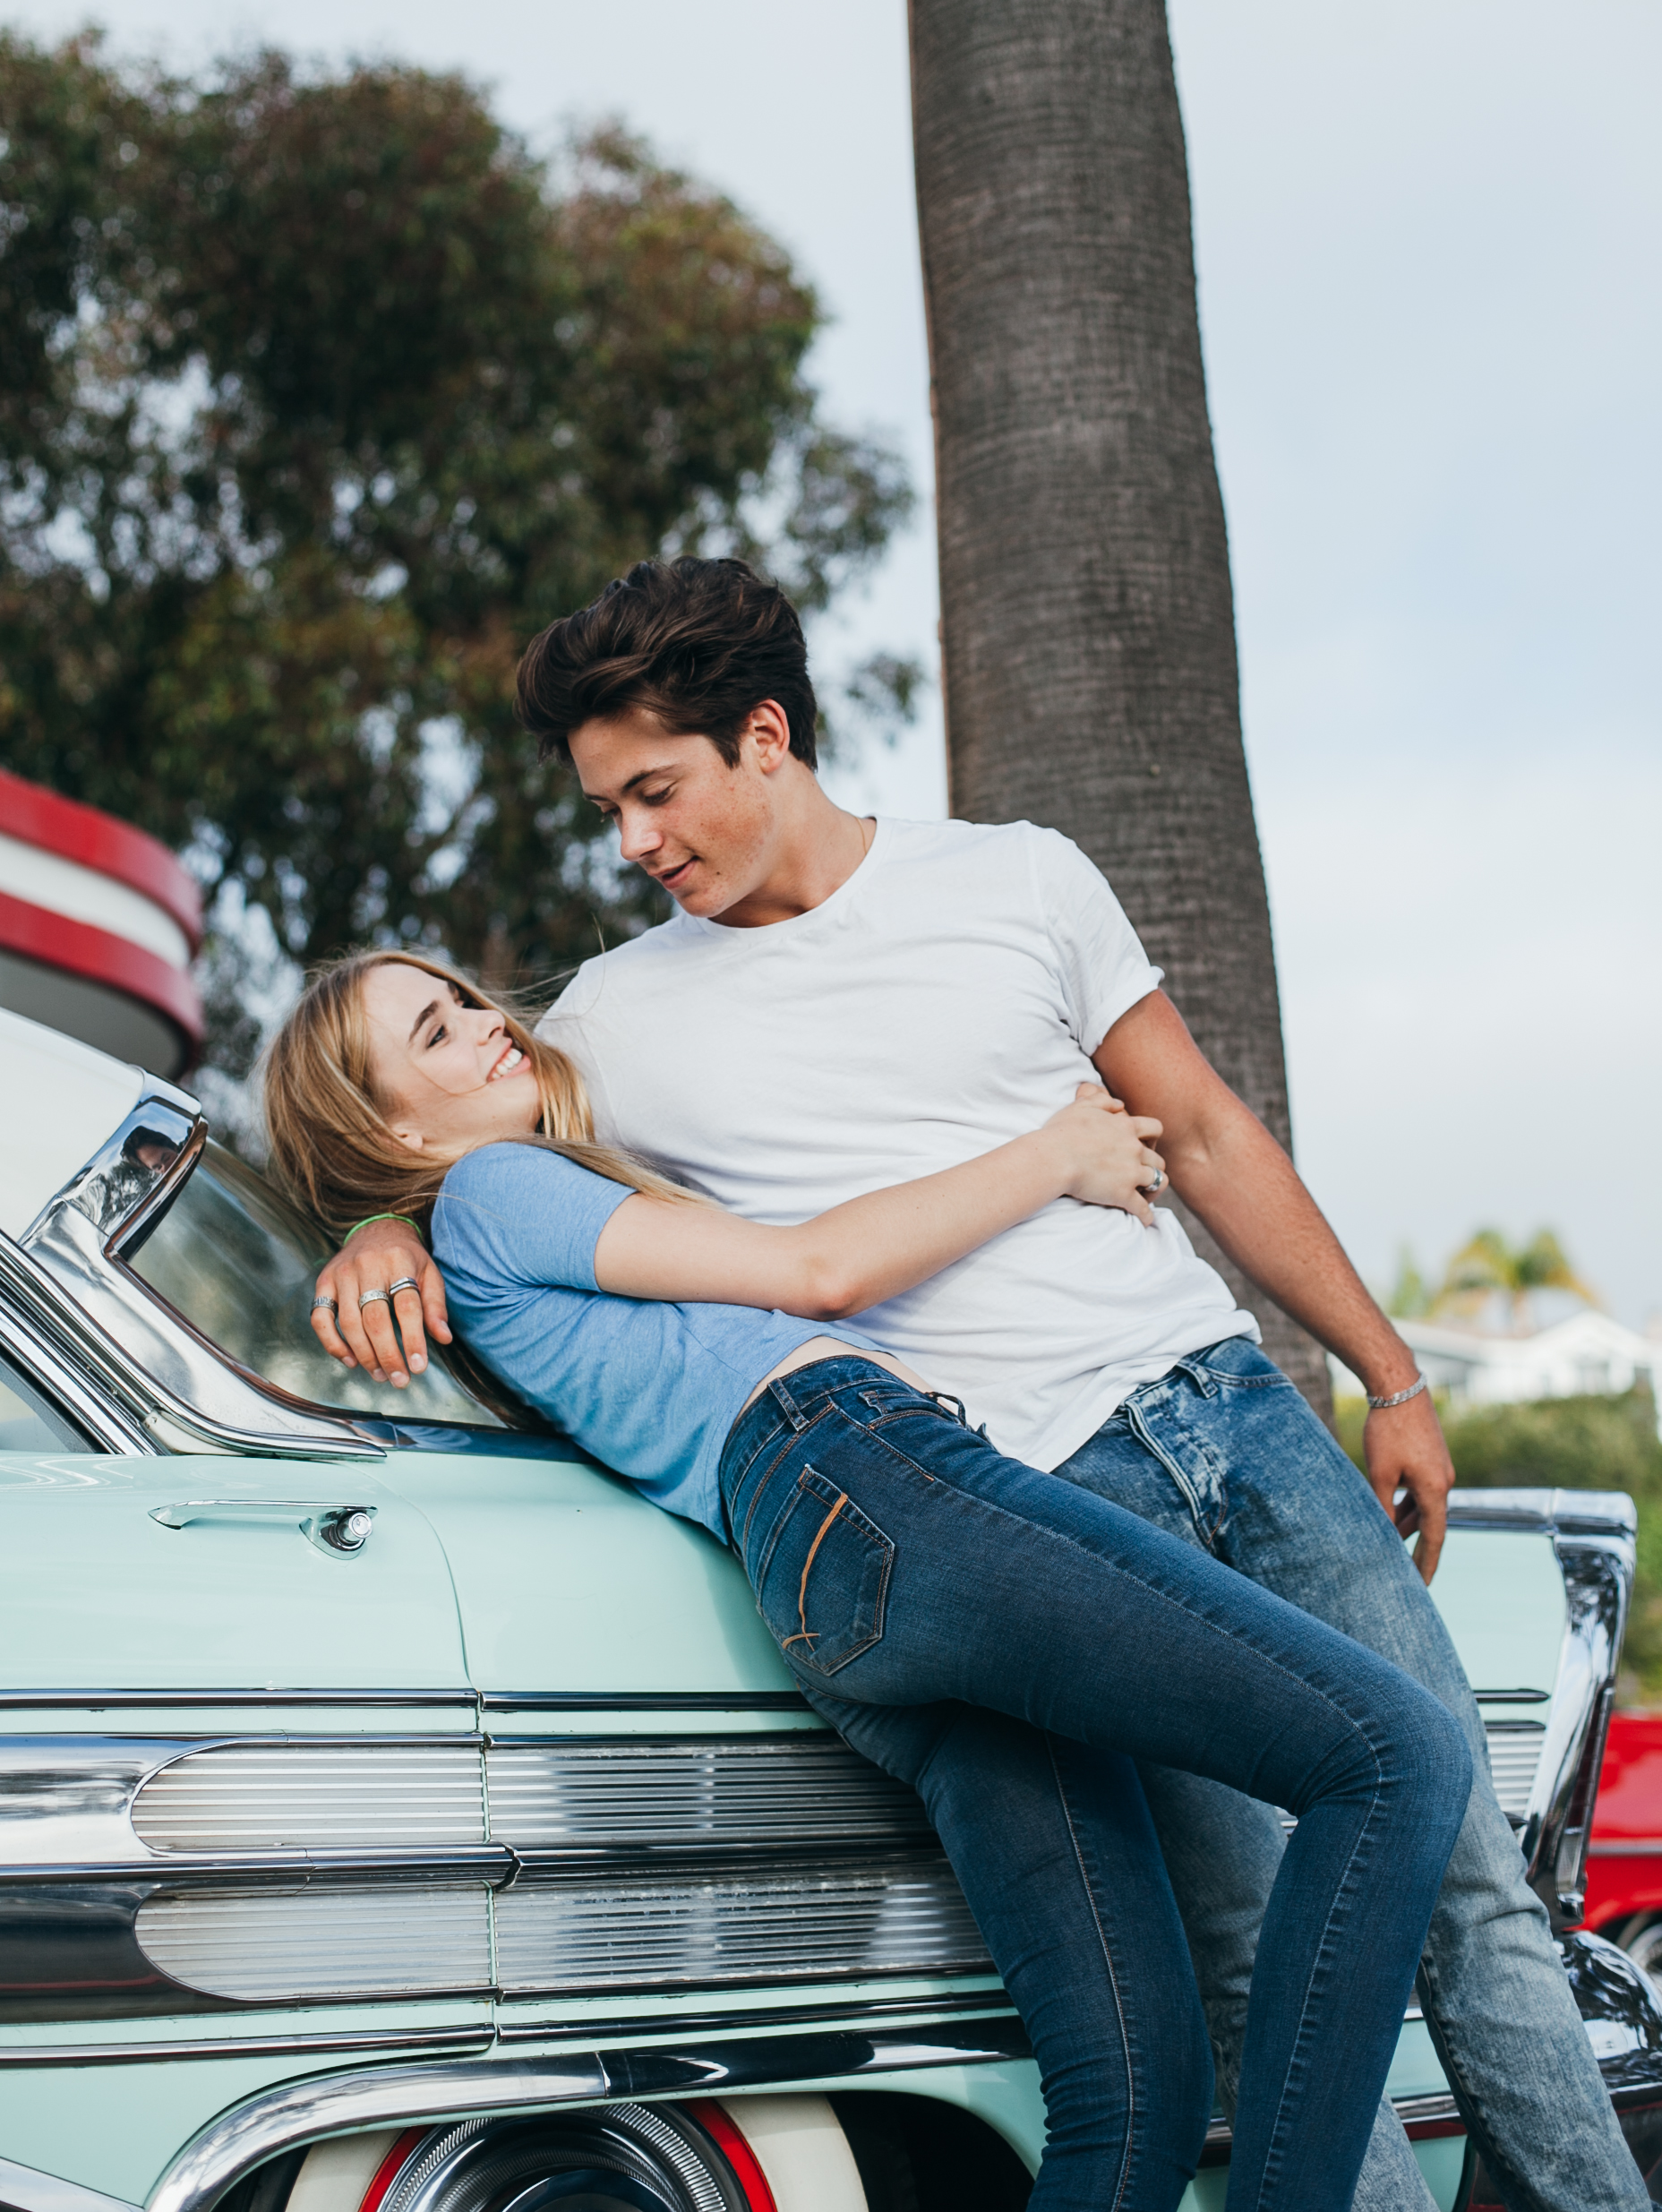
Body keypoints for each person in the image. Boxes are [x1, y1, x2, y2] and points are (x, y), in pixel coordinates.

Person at [317, 556, 1643, 2212]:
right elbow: (474, 1156)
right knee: (1240, 1953)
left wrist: (1388, 1373)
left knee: (1472, 1893)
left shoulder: (1016, 879)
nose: (635, 843)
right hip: (1014, 1490)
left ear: (767, 737)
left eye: (656, 791)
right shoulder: (612, 1019)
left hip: (1224, 1400)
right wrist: (379, 1228)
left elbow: (1212, 1132)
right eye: (609, 810)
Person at [269, 948, 1470, 2212]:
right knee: (1395, 1757)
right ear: (391, 1122)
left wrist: (374, 1222)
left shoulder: (471, 1224)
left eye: (462, 998)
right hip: (873, 1487)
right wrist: (1057, 1153)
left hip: (835, 1593)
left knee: (1136, 2095)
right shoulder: (498, 1192)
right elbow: (817, 1273)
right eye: (434, 1033)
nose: (481, 1022)